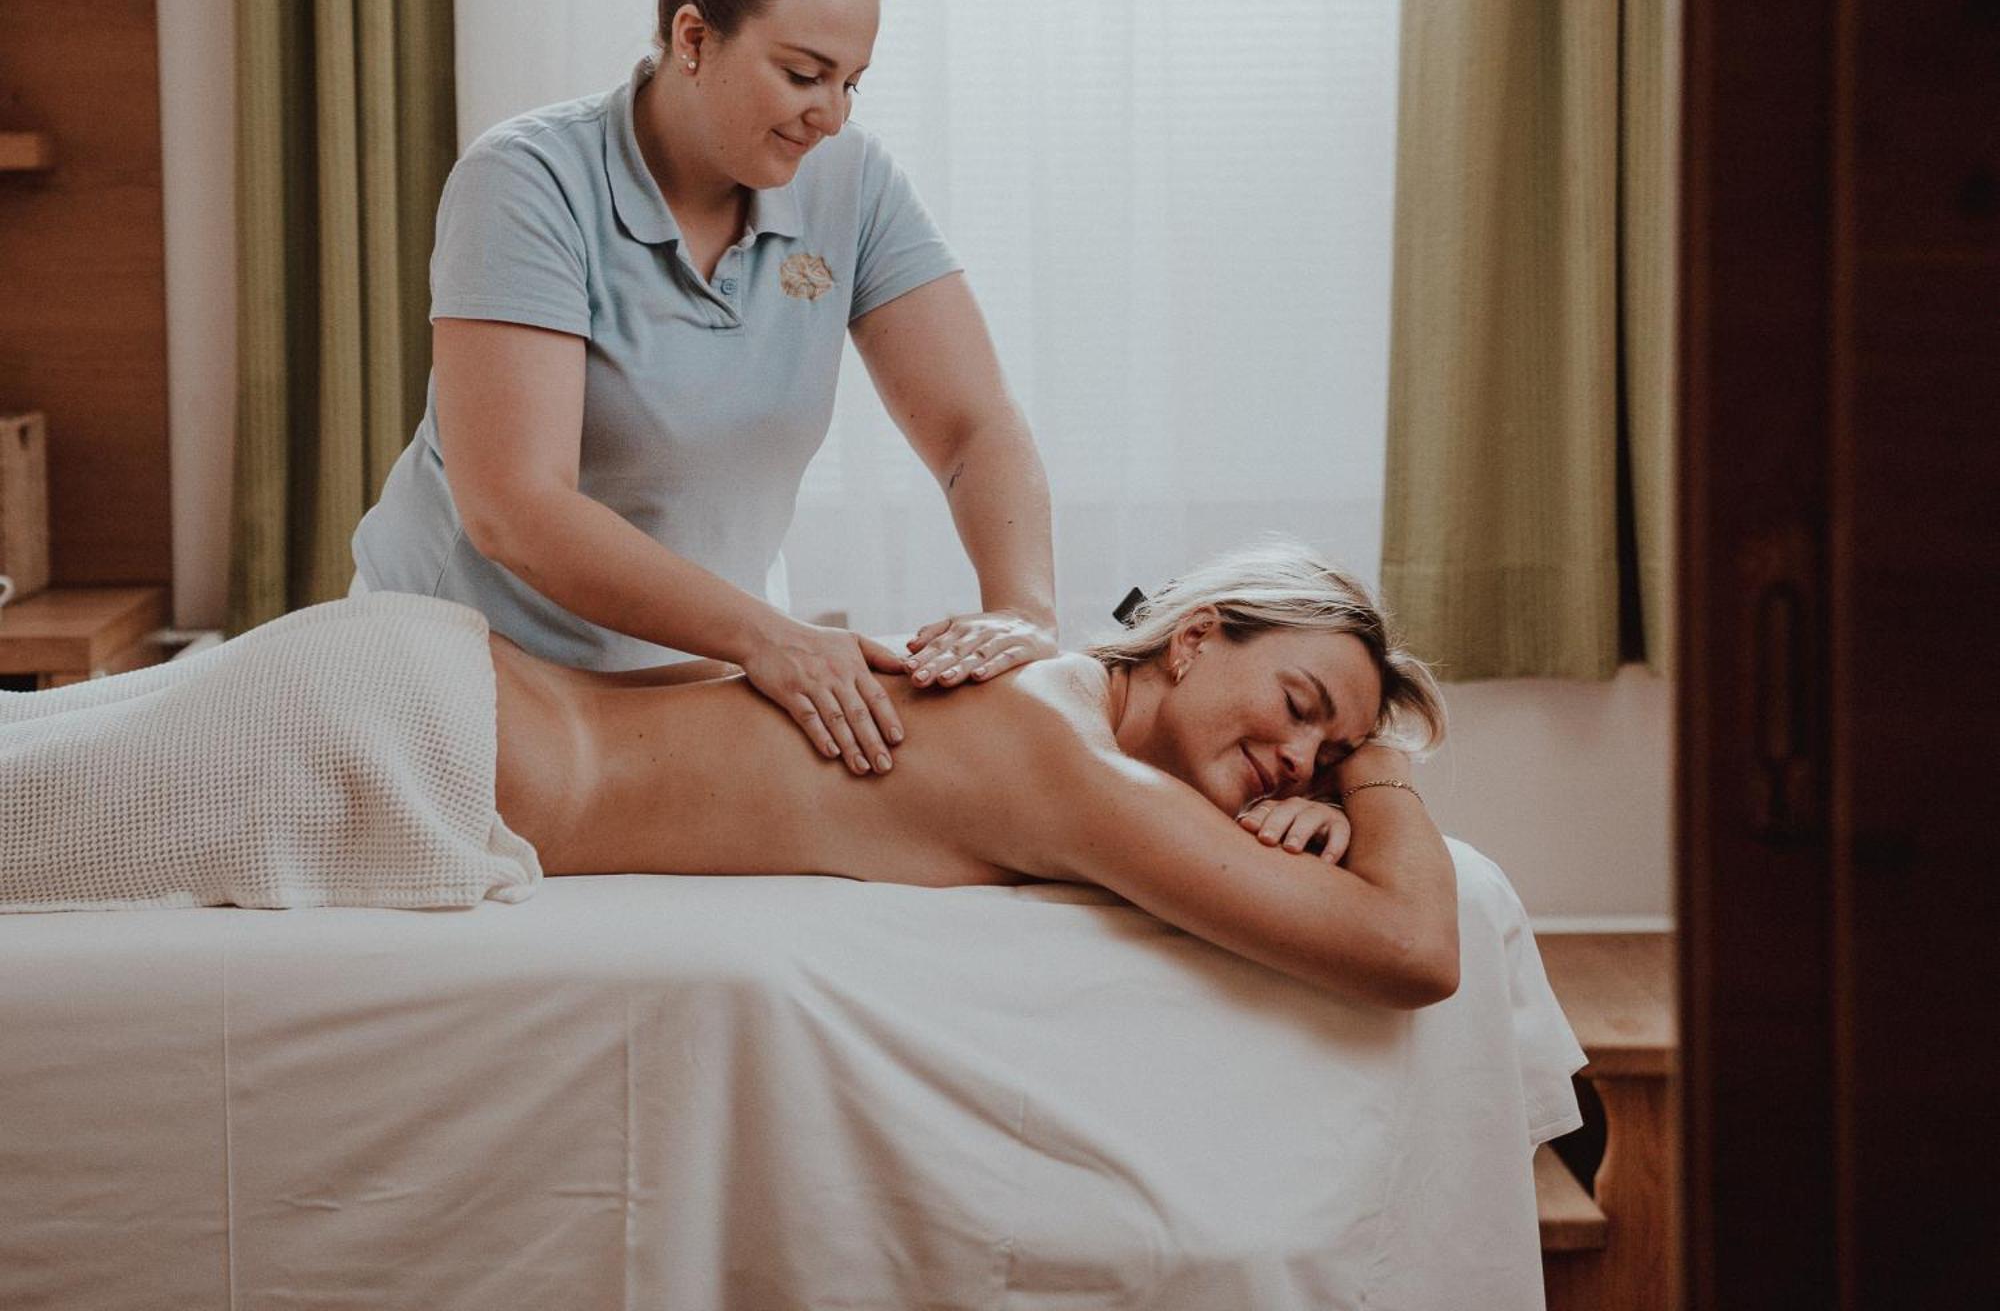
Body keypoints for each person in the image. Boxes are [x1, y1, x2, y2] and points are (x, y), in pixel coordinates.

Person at [2, 540, 1458, 1011]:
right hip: (402, 741)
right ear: (1199, 638)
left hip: (410, 690)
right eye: (1305, 705)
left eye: (1322, 750)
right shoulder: (1061, 761)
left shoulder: (1029, 682)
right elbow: (1408, 953)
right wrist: (1386, 769)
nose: (1298, 754)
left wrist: (1331, 777)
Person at [351, 0, 1057, 780]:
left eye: (852, 83)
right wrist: (769, 636)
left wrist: (1022, 610)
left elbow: (973, 426)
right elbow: (514, 506)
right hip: (470, 671)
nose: (831, 114)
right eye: (803, 74)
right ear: (693, 36)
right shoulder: (527, 181)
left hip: (704, 675)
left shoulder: (847, 181)